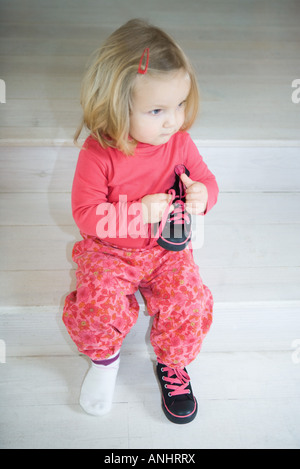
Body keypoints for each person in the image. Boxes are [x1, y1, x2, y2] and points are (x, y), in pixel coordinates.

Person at [63, 18, 219, 424]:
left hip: (167, 251)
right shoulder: (99, 154)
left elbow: (206, 180)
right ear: (116, 105)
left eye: (180, 104)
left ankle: (173, 364)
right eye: (157, 110)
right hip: (110, 250)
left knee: (189, 299)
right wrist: (137, 212)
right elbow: (85, 215)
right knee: (97, 301)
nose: (173, 120)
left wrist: (204, 195)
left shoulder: (179, 141)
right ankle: (104, 362)